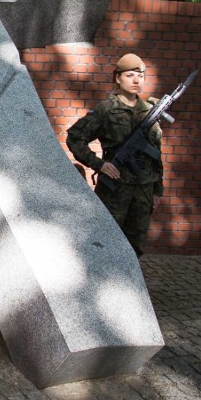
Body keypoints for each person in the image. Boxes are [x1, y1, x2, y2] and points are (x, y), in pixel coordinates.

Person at [66, 53, 162, 257]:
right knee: (106, 242)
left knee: (135, 246)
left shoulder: (149, 112)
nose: (136, 80)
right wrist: (99, 164)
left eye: (140, 76)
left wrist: (156, 190)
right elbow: (75, 138)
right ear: (117, 78)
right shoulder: (106, 110)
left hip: (143, 190)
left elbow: (156, 155)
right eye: (130, 75)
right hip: (115, 189)